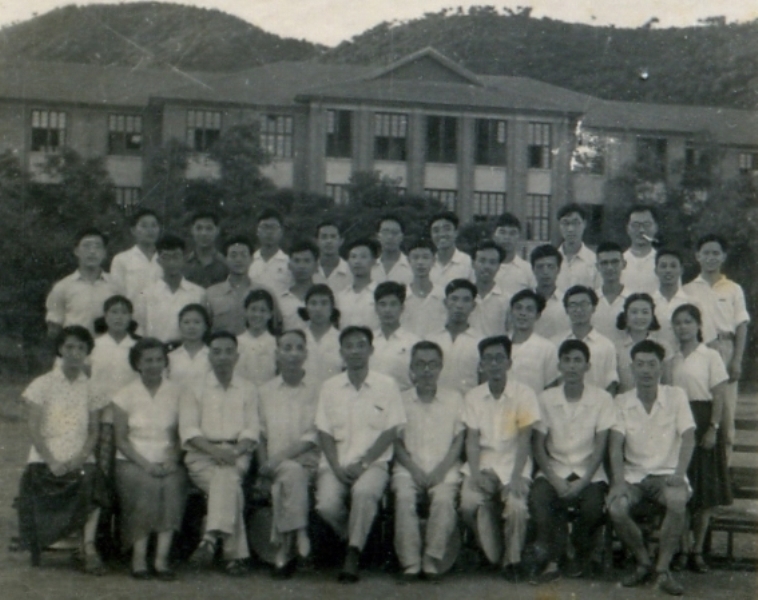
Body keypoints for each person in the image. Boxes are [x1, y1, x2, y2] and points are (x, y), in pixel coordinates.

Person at [315, 326, 405, 583]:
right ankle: (355, 536)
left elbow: (391, 430)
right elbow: (324, 431)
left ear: (371, 350)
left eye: (360, 345)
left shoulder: (387, 385)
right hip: (336, 463)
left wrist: (364, 463)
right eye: (349, 346)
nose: (355, 351)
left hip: (373, 463)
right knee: (325, 505)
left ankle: (352, 554)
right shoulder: (330, 387)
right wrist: (335, 467)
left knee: (364, 493)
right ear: (341, 352)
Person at [16, 326, 108, 573]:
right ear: (60, 349)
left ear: (87, 352)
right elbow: (34, 429)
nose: (75, 353)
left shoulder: (92, 387)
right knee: (39, 477)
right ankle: (54, 538)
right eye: (69, 347)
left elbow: (94, 432)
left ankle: (88, 547)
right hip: (45, 456)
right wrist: (52, 461)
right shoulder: (42, 384)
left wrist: (80, 458)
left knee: (91, 479)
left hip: (79, 454)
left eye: (81, 348)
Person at [607, 340, 695, 596]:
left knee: (677, 502)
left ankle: (662, 569)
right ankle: (644, 562)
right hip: (633, 477)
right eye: (640, 364)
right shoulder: (621, 401)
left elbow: (689, 437)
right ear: (632, 368)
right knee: (616, 508)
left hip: (667, 475)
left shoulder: (676, 396)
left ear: (661, 368)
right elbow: (615, 447)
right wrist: (619, 482)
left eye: (652, 364)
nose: (646, 370)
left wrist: (679, 474)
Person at [527, 340, 615, 583]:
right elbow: (538, 445)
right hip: (554, 469)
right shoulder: (546, 398)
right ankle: (553, 560)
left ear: (587, 366)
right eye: (566, 360)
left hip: (589, 472)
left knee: (592, 508)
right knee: (540, 499)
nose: (572, 366)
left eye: (578, 361)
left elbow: (600, 447)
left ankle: (575, 550)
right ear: (559, 366)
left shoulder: (602, 398)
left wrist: (583, 482)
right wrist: (554, 480)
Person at [460, 335, 539, 581]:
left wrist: (515, 477)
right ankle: (487, 548)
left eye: (499, 358)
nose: (494, 364)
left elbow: (525, 440)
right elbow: (472, 440)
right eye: (488, 359)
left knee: (516, 507)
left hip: (515, 463)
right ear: (481, 364)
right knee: (468, 503)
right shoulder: (473, 397)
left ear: (509, 363)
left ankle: (512, 560)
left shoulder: (524, 394)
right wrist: (475, 475)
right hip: (483, 463)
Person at [180, 332, 259, 576]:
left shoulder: (248, 388)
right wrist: (215, 451)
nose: (223, 357)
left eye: (228, 351)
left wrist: (233, 451)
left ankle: (210, 538)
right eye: (217, 352)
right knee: (229, 483)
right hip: (201, 456)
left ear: (237, 356)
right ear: (209, 356)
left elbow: (252, 430)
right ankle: (233, 555)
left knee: (225, 476)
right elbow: (189, 430)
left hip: (237, 453)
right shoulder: (193, 387)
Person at [112, 337, 188, 580]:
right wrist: (145, 465)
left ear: (165, 362)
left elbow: (183, 434)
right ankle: (139, 558)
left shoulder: (178, 392)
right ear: (137, 363)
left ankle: (161, 560)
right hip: (132, 460)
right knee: (146, 486)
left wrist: (173, 459)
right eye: (148, 360)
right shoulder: (124, 394)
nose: (154, 365)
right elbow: (121, 440)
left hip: (167, 459)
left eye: (158, 359)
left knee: (172, 485)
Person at [392, 341, 464, 581]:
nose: (426, 370)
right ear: (411, 367)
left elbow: (459, 440)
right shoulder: (400, 400)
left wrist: (441, 470)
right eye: (420, 364)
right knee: (404, 498)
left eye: (432, 364)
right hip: (408, 468)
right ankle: (410, 562)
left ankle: (432, 560)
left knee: (443, 500)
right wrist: (413, 469)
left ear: (440, 367)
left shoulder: (454, 399)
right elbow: (395, 442)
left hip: (444, 469)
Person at [670, 304, 731, 573]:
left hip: (704, 420)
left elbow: (719, 395)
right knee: (682, 492)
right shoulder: (671, 359)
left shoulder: (710, 355)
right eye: (678, 322)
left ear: (698, 325)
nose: (682, 327)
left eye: (688, 321)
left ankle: (698, 551)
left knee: (704, 496)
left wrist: (713, 428)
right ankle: (683, 550)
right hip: (679, 426)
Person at [257, 330, 320, 577]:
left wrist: (278, 459)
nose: (293, 354)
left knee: (292, 473)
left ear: (306, 353)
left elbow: (314, 435)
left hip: (308, 462)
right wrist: (264, 468)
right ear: (277, 353)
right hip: (275, 466)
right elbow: (260, 435)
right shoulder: (265, 391)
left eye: (299, 348)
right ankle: (300, 535)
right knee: (290, 474)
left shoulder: (318, 389)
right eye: (287, 348)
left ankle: (284, 550)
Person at [683, 234, 750, 463]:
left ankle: (725, 469)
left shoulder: (733, 289)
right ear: (697, 256)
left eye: (715, 253)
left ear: (723, 256)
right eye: (706, 253)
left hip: (725, 348)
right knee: (698, 409)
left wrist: (736, 360)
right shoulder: (688, 290)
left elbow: (741, 326)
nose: (710, 258)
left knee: (726, 413)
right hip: (697, 349)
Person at [45, 228, 119, 338]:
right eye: (86, 246)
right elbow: (54, 326)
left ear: (104, 253)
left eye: (97, 246)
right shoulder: (63, 286)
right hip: (75, 346)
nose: (92, 251)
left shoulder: (116, 285)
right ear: (76, 251)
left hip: (107, 347)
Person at [134, 234, 206, 343]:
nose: (172, 262)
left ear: (184, 259)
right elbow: (141, 330)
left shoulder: (198, 293)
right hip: (157, 350)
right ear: (158, 261)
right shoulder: (146, 295)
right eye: (166, 257)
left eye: (176, 256)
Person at [553, 286, 618, 394]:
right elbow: (552, 381)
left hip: (597, 403)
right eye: (573, 305)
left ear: (593, 308)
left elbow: (611, 383)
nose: (579, 309)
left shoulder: (606, 345)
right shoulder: (555, 343)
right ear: (566, 310)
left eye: (583, 304)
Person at [428, 279, 483, 396]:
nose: (459, 305)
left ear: (473, 306)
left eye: (466, 300)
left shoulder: (480, 342)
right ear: (445, 302)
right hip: (435, 402)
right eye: (454, 299)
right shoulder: (431, 339)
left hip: (468, 403)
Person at [614, 293, 671, 394]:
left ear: (652, 316)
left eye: (645, 312)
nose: (639, 317)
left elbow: (668, 384)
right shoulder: (615, 348)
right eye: (634, 312)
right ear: (626, 317)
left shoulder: (664, 346)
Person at [370, 281, 419, 392]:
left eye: (393, 304)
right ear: (376, 308)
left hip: (402, 399)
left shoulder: (413, 342)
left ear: (402, 308)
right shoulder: (368, 340)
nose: (387, 310)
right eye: (383, 304)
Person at [508, 289, 559, 393]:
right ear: (511, 312)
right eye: (518, 308)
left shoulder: (547, 349)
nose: (523, 313)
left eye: (529, 309)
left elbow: (551, 389)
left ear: (537, 315)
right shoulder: (500, 345)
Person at [110, 208, 163, 303]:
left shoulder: (165, 259)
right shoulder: (121, 259)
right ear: (133, 230)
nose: (150, 230)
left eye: (154, 225)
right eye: (144, 226)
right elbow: (117, 294)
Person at [207, 235, 257, 335]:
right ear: (225, 259)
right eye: (233, 255)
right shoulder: (211, 294)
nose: (238, 260)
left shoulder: (262, 291)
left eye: (243, 255)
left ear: (252, 259)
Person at [401, 238, 447, 338]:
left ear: (433, 260)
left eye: (425, 257)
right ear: (408, 261)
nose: (420, 262)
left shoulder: (443, 295)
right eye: (415, 257)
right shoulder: (401, 296)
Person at [299, 284, 343, 386]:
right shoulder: (299, 338)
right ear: (306, 308)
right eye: (313, 303)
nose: (318, 308)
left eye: (324, 303)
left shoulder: (341, 339)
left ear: (332, 308)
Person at [652, 248, 695, 351]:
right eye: (663, 266)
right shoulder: (648, 303)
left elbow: (704, 337)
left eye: (673, 266)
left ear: (681, 270)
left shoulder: (692, 303)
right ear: (656, 271)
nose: (668, 270)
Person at [167, 304, 212, 397]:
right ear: (179, 326)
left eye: (197, 322)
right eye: (186, 322)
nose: (191, 327)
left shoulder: (212, 355)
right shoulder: (170, 357)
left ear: (206, 326)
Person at [335, 238, 380, 330]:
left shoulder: (380, 294)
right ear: (348, 261)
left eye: (363, 257)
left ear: (374, 261)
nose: (357, 261)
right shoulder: (340, 296)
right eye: (353, 257)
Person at [236, 289, 278, 386]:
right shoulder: (236, 342)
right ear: (245, 311)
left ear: (270, 314)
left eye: (263, 310)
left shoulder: (276, 343)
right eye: (253, 309)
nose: (257, 314)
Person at [470, 240, 511, 336]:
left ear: (498, 266)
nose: (487, 266)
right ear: (473, 263)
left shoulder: (507, 300)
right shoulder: (464, 297)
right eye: (482, 261)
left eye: (492, 262)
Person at [555, 203, 600, 290]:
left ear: (584, 224)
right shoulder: (552, 261)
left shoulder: (594, 261)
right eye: (565, 223)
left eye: (575, 223)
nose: (570, 229)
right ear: (559, 226)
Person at [530, 244, 570, 340]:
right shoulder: (525, 302)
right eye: (540, 267)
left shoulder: (566, 302)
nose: (545, 272)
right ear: (533, 269)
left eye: (550, 266)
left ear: (558, 269)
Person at [248, 208, 292, 296]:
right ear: (257, 231)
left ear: (281, 232)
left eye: (273, 227)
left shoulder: (289, 263)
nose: (269, 232)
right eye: (265, 227)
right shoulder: (249, 261)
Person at [492, 213, 536, 297]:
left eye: (512, 233)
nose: (507, 237)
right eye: (502, 232)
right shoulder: (486, 268)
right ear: (494, 235)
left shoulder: (528, 269)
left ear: (519, 237)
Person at [278, 239, 318, 331]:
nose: (301, 266)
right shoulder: (281, 300)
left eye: (307, 261)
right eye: (297, 261)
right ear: (289, 265)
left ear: (316, 266)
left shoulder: (323, 297)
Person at [592, 241, 627, 342]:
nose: (610, 267)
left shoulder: (633, 299)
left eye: (615, 262)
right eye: (604, 263)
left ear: (624, 264)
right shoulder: (590, 300)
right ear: (597, 266)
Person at [620, 204, 660, 295]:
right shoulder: (619, 262)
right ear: (627, 229)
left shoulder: (663, 262)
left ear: (656, 227)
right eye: (635, 225)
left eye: (647, 225)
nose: (641, 230)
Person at [184, 210, 229, 288]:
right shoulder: (183, 264)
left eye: (209, 228)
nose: (203, 233)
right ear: (192, 230)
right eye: (199, 228)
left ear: (217, 231)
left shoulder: (226, 264)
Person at [429, 211, 473, 288]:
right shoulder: (427, 263)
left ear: (456, 232)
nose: (442, 234)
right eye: (436, 230)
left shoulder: (468, 262)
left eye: (447, 229)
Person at [372, 214, 413, 285]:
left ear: (402, 237)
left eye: (395, 233)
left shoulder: (412, 266)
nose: (390, 237)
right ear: (377, 236)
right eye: (385, 232)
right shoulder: (369, 266)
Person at [313, 220, 350, 293]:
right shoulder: (309, 271)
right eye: (324, 237)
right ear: (316, 241)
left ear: (341, 241)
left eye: (333, 237)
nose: (329, 241)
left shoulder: (351, 271)